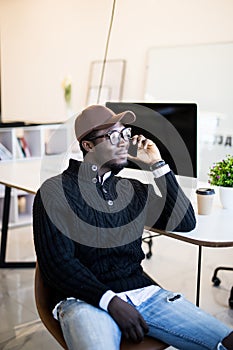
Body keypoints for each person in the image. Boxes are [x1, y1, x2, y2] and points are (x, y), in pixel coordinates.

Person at [33, 104, 233, 350]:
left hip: (142, 294)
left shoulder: (132, 190)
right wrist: (110, 302)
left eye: (125, 134)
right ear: (88, 146)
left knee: (227, 342)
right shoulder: (54, 191)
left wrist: (157, 164)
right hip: (81, 300)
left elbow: (185, 221)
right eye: (114, 136)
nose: (124, 143)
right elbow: (57, 265)